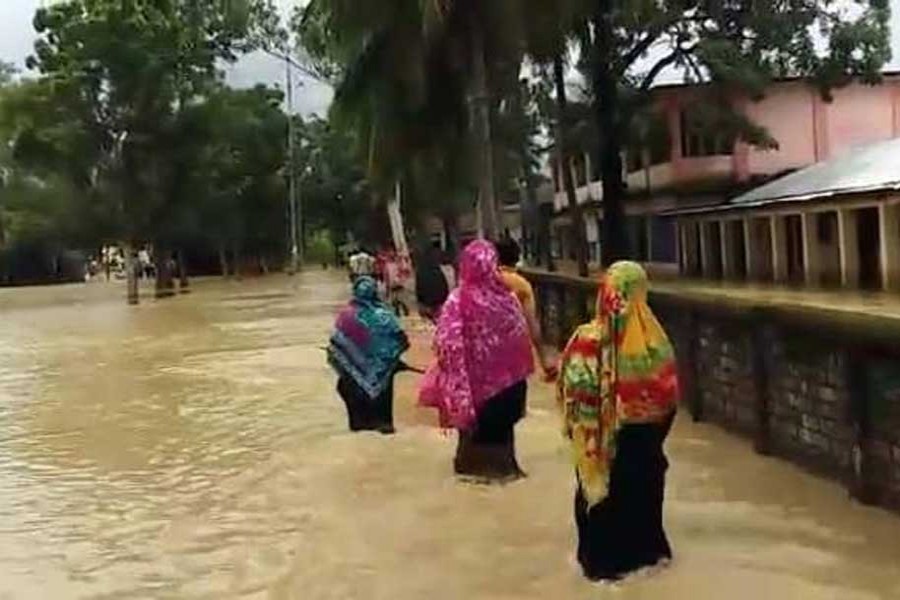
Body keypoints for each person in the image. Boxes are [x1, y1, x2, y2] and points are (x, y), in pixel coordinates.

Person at [557, 261, 679, 582]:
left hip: (599, 458)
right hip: (644, 459)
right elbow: (669, 402)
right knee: (646, 561)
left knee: (600, 560)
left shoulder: (585, 340)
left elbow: (572, 400)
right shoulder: (657, 344)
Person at [419, 240, 534, 482]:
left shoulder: (457, 301)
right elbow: (522, 341)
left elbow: (445, 345)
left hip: (474, 392)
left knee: (472, 467)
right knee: (504, 450)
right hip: (511, 389)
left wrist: (453, 389)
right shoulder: (509, 299)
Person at [328, 276, 409, 434]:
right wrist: (391, 360)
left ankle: (359, 425)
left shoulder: (346, 316)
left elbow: (337, 347)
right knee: (383, 396)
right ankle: (384, 424)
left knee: (347, 388)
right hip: (382, 373)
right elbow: (402, 341)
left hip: (353, 374)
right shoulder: (384, 315)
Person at [496, 238, 557, 378]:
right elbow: (532, 325)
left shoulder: (483, 282)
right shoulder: (521, 285)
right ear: (516, 258)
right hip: (514, 351)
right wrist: (545, 361)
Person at [414, 242, 450, 322]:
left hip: (427, 304)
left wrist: (420, 302)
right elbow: (444, 286)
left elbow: (418, 288)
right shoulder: (438, 270)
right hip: (439, 303)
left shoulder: (420, 270)